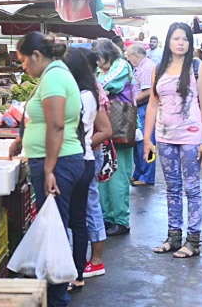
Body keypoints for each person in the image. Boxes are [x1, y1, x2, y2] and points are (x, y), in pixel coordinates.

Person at [8, 32, 83, 307]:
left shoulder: (53, 77)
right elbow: (45, 121)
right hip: (56, 160)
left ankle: (57, 297)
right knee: (55, 225)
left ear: (37, 55)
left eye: (24, 61)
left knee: (56, 228)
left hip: (59, 162)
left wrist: (50, 167)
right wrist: (22, 138)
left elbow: (56, 125)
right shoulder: (53, 74)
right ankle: (53, 292)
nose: (23, 67)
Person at [144, 22, 202, 258]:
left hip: (191, 137)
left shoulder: (197, 67)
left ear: (190, 42)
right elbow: (153, 104)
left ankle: (193, 240)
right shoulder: (159, 68)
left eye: (185, 39)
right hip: (164, 138)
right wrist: (147, 139)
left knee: (191, 189)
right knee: (172, 188)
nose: (180, 43)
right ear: (168, 42)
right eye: (176, 38)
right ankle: (174, 237)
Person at [62, 48, 112, 294]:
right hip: (86, 159)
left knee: (74, 218)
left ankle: (75, 269)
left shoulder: (79, 96)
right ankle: (78, 273)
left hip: (77, 160)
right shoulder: (90, 93)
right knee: (79, 218)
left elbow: (65, 127)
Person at [94, 38, 136, 236]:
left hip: (120, 128)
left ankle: (121, 220)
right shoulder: (98, 71)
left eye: (99, 57)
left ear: (108, 54)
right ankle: (107, 217)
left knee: (118, 176)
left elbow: (104, 85)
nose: (97, 62)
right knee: (102, 174)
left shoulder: (121, 66)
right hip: (101, 129)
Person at [79, 48, 111, 279]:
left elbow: (106, 129)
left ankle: (96, 260)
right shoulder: (87, 89)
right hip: (90, 152)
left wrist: (84, 143)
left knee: (90, 204)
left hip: (91, 154)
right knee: (88, 204)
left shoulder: (92, 92)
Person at [127, 43, 157, 186]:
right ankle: (139, 173)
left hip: (145, 109)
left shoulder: (146, 68)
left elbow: (148, 91)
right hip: (139, 110)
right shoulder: (140, 67)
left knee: (147, 142)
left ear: (135, 55)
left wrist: (130, 101)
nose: (128, 59)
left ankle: (147, 176)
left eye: (129, 56)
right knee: (138, 143)